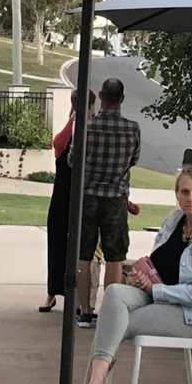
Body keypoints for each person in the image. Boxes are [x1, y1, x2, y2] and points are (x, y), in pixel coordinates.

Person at [70, 165, 192, 384]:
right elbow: (159, 263)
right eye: (184, 192)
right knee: (114, 293)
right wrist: (143, 277)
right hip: (157, 294)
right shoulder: (174, 219)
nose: (190, 198)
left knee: (117, 321)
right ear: (177, 194)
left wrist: (155, 289)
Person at [70, 78, 141, 328]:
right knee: (115, 256)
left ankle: (85, 311)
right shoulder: (132, 129)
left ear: (100, 96)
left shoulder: (86, 128)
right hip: (115, 199)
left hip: (87, 197)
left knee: (83, 255)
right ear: (121, 99)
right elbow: (134, 159)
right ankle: (109, 311)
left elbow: (72, 161)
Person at [40, 89, 96, 313]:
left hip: (83, 194)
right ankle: (53, 292)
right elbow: (58, 144)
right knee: (57, 240)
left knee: (82, 248)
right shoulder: (71, 126)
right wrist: (73, 119)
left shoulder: (93, 129)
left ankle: (78, 298)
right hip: (63, 193)